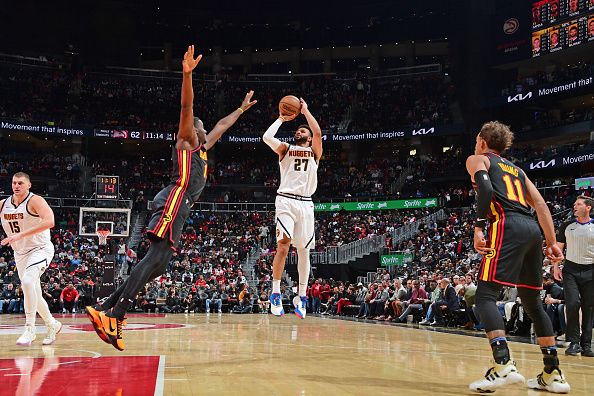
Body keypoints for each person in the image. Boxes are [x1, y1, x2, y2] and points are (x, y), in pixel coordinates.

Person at [85, 45, 257, 351]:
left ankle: (107, 307)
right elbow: (186, 108)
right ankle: (115, 314)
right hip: (174, 199)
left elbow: (222, 125)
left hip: (181, 206)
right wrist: (187, 75)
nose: (205, 128)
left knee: (161, 265)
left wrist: (241, 110)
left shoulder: (203, 147)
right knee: (154, 257)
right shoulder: (187, 141)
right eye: (200, 125)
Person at [466, 121, 569, 393]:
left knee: (486, 294)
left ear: (483, 141)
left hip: (506, 224)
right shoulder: (519, 171)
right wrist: (552, 242)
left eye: (477, 139)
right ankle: (553, 373)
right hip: (532, 229)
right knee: (533, 301)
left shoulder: (477, 159)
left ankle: (503, 365)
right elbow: (541, 205)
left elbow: (486, 191)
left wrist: (478, 228)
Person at [262, 96, 323, 319]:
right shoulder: (285, 149)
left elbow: (317, 133)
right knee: (283, 246)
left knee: (304, 251)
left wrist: (305, 112)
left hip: (306, 203)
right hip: (285, 200)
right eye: (297, 130)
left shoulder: (315, 152)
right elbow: (267, 137)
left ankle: (302, 296)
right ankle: (275, 292)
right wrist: (281, 118)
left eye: (302, 131)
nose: (299, 132)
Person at [0, 172, 62, 346]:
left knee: (27, 282)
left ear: (28, 185)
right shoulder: (3, 205)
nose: (16, 186)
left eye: (20, 183)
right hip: (20, 253)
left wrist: (19, 235)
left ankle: (30, 328)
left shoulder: (36, 201)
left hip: (40, 249)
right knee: (33, 291)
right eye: (14, 183)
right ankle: (52, 324)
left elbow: (50, 221)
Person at [554, 195, 594, 357]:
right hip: (570, 269)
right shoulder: (566, 225)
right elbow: (558, 249)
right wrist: (556, 266)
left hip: (591, 269)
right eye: (574, 204)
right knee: (572, 303)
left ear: (588, 207)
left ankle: (586, 344)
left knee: (589, 307)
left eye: (578, 204)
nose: (574, 206)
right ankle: (574, 342)